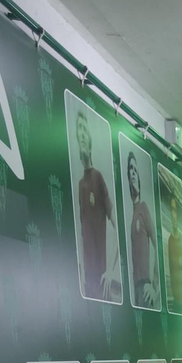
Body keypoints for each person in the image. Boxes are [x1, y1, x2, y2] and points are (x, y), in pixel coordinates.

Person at [75, 111, 121, 302]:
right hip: (87, 283)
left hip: (102, 283)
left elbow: (118, 226)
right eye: (79, 130)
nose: (82, 134)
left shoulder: (98, 178)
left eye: (85, 129)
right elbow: (81, 235)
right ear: (77, 139)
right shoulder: (80, 185)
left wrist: (110, 270)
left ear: (90, 139)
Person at [126, 152, 159, 308]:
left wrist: (154, 284)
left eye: (134, 169)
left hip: (145, 286)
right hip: (134, 289)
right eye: (130, 170)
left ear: (138, 176)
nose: (132, 172)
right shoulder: (130, 213)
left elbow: (157, 244)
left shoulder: (143, 208)